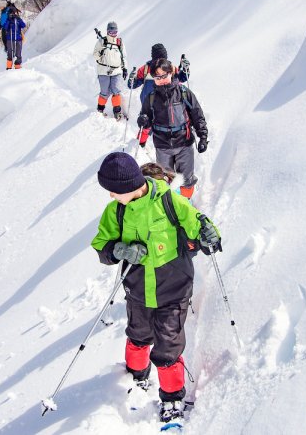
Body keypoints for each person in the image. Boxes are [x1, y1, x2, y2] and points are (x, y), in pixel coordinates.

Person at [91, 152, 222, 423]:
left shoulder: (168, 200)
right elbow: (101, 245)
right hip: (137, 289)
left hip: (173, 289)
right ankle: (134, 376)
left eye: (114, 192)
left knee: (168, 345)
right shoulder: (116, 211)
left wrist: (209, 233)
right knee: (138, 335)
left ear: (129, 186)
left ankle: (173, 398)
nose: (112, 196)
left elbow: (196, 222)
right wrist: (119, 249)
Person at [137, 59, 207, 199]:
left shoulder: (184, 93)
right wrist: (143, 120)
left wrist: (203, 136)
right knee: (164, 179)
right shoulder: (151, 98)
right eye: (158, 77)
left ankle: (186, 203)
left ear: (171, 73)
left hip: (184, 143)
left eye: (164, 75)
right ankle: (171, 204)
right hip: (162, 146)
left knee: (186, 179)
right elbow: (145, 118)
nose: (161, 80)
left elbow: (197, 114)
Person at [128, 44, 190, 145]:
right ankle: (140, 144)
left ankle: (165, 146)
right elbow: (133, 85)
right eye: (157, 59)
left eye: (163, 59)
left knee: (164, 124)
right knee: (146, 125)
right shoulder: (145, 69)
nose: (160, 63)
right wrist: (131, 79)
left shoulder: (170, 67)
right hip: (148, 103)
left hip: (166, 102)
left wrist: (185, 69)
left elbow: (182, 78)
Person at [93, 21, 128, 120]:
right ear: (107, 32)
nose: (113, 34)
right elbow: (95, 55)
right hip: (103, 71)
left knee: (116, 91)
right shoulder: (101, 41)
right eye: (111, 32)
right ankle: (100, 110)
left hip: (116, 71)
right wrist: (102, 50)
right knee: (104, 92)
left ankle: (117, 111)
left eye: (115, 32)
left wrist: (125, 68)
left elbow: (124, 57)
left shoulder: (119, 42)